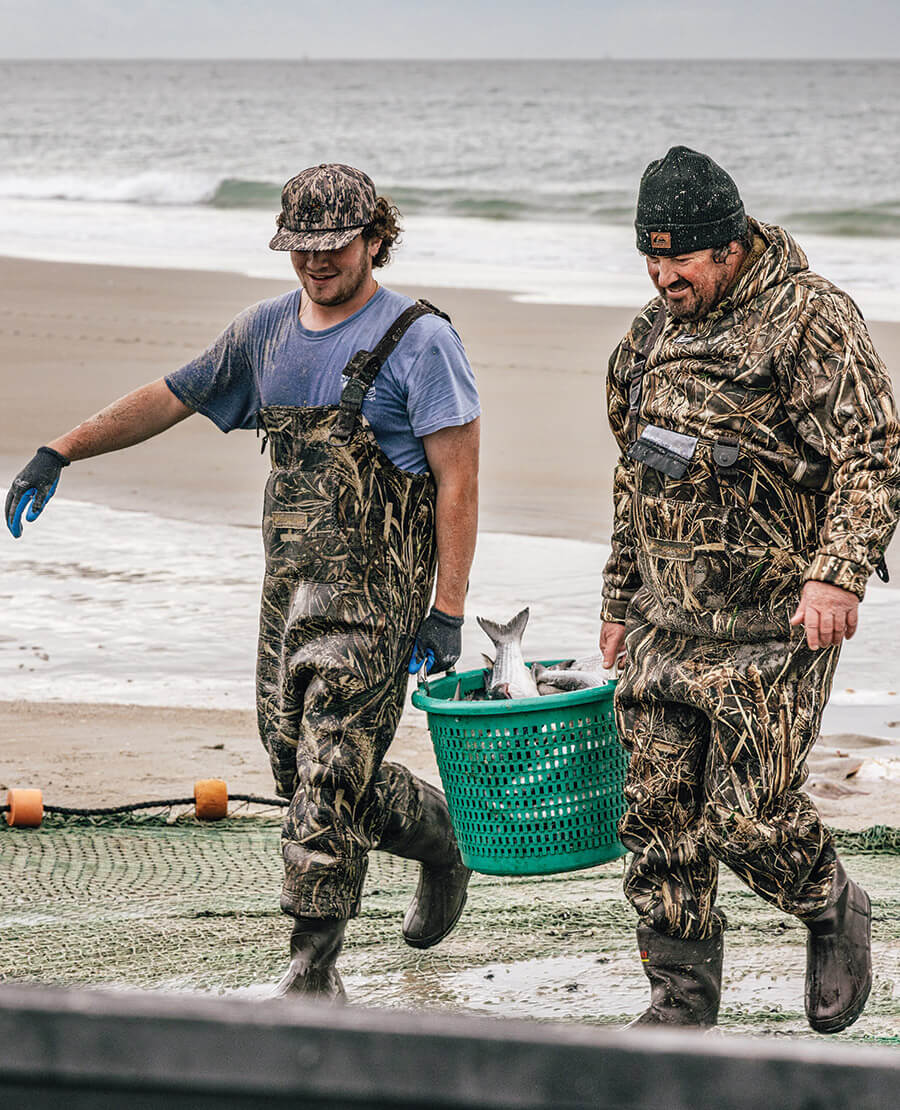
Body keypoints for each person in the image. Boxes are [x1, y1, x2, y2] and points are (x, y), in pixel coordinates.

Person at [5, 163, 480, 999]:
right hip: (288, 597)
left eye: (333, 246)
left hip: (376, 608)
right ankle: (444, 841)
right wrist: (63, 449)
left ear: (374, 238)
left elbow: (460, 482)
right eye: (300, 248)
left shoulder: (420, 341)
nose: (315, 263)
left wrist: (447, 610)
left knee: (332, 780)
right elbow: (170, 396)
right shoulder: (264, 332)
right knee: (300, 774)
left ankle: (311, 976)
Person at [598, 146, 900, 1033]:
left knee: (745, 818)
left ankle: (832, 906)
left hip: (777, 624)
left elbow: (873, 457)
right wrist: (620, 596)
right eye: (649, 257)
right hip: (667, 619)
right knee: (657, 819)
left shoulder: (810, 321)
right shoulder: (647, 339)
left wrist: (836, 575)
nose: (663, 276)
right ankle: (680, 1002)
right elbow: (634, 474)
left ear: (729, 245)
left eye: (680, 257)